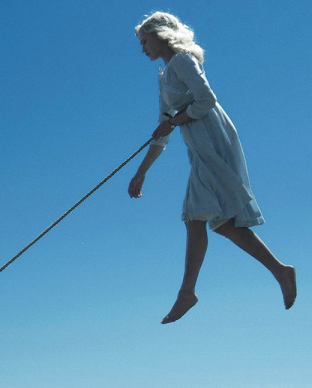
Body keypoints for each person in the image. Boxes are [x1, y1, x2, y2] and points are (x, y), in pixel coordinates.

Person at [127, 12, 296, 324]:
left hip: (214, 143)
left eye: (144, 41)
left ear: (161, 34)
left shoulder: (182, 61)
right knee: (218, 223)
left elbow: (206, 99)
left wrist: (175, 121)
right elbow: (163, 131)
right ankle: (279, 271)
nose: (142, 48)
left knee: (198, 216)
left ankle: (187, 292)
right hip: (199, 149)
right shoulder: (165, 76)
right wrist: (142, 171)